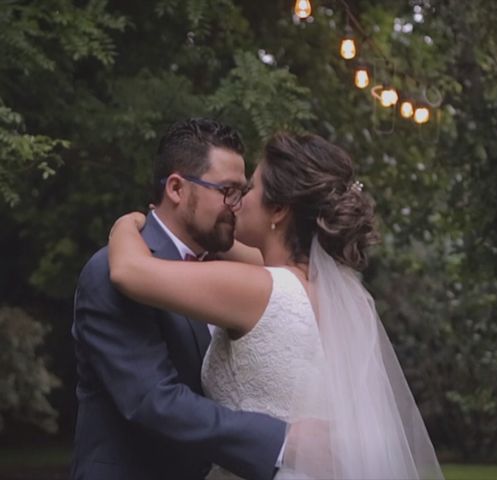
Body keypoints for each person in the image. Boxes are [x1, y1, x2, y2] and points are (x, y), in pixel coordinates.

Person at [108, 132, 445, 479]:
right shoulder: (350, 299)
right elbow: (251, 253)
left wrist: (127, 224)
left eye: (249, 189)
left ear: (280, 209)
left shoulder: (258, 288)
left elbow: (128, 271)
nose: (237, 201)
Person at [70, 118, 287, 480]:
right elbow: (153, 401)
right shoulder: (111, 270)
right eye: (227, 190)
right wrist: (281, 442)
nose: (236, 205)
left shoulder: (221, 267)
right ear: (176, 188)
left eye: (242, 192)